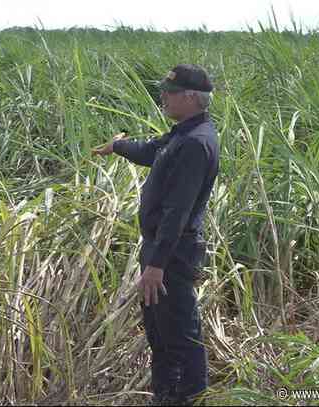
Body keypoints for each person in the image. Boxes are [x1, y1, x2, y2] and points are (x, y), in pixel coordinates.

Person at [92, 64, 219, 406]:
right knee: (160, 332)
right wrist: (117, 147)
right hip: (160, 252)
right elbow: (151, 152)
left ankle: (190, 396)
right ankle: (165, 396)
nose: (163, 96)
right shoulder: (182, 133)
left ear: (191, 97)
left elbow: (178, 212)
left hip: (173, 255)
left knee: (180, 334)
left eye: (170, 92)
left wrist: (157, 264)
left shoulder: (196, 143)